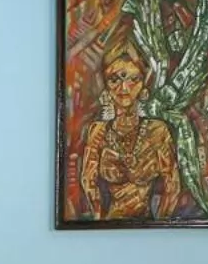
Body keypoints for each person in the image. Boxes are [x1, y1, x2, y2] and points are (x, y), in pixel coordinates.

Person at [76, 28, 178, 220]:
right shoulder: (98, 131)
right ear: (106, 87)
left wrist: (161, 226)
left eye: (133, 79)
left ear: (144, 87)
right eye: (115, 80)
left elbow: (172, 186)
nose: (124, 88)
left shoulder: (158, 131)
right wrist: (99, 221)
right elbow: (88, 182)